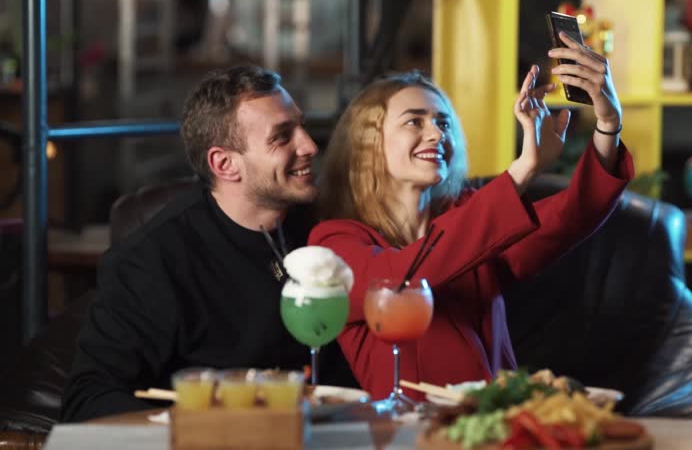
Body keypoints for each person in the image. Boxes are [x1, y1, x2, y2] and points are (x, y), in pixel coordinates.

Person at [311, 33, 634, 400]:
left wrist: (608, 123)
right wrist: (523, 170)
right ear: (367, 143)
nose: (436, 133)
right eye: (414, 122)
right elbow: (404, 277)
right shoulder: (333, 244)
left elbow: (572, 215)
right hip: (410, 435)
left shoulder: (473, 212)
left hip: (498, 426)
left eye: (443, 123)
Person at [61, 65, 357, 422]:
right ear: (224, 164)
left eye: (301, 126)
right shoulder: (152, 261)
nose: (309, 145)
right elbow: (87, 400)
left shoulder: (317, 227)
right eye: (282, 136)